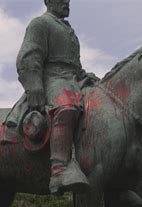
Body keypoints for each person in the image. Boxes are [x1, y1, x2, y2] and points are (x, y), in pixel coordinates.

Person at [16, 0, 97, 194]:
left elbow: (74, 66)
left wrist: (88, 77)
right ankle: (59, 169)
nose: (67, 1)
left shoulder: (69, 31)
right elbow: (28, 57)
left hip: (73, 79)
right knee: (66, 107)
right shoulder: (40, 24)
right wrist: (34, 85)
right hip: (53, 80)